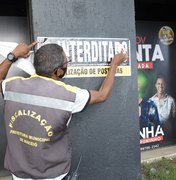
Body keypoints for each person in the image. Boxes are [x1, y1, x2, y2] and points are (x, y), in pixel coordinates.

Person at [1, 43, 128, 180]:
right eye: (67, 62)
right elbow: (102, 95)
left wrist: (12, 56)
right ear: (58, 71)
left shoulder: (11, 85)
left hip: (18, 172)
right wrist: (114, 64)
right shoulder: (69, 95)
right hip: (52, 174)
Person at [150, 75, 176, 141]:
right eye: (158, 83)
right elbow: (148, 120)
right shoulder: (150, 101)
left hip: (169, 135)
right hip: (154, 135)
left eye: (163, 84)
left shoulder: (171, 100)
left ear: (165, 85)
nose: (160, 86)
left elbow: (174, 119)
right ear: (155, 85)